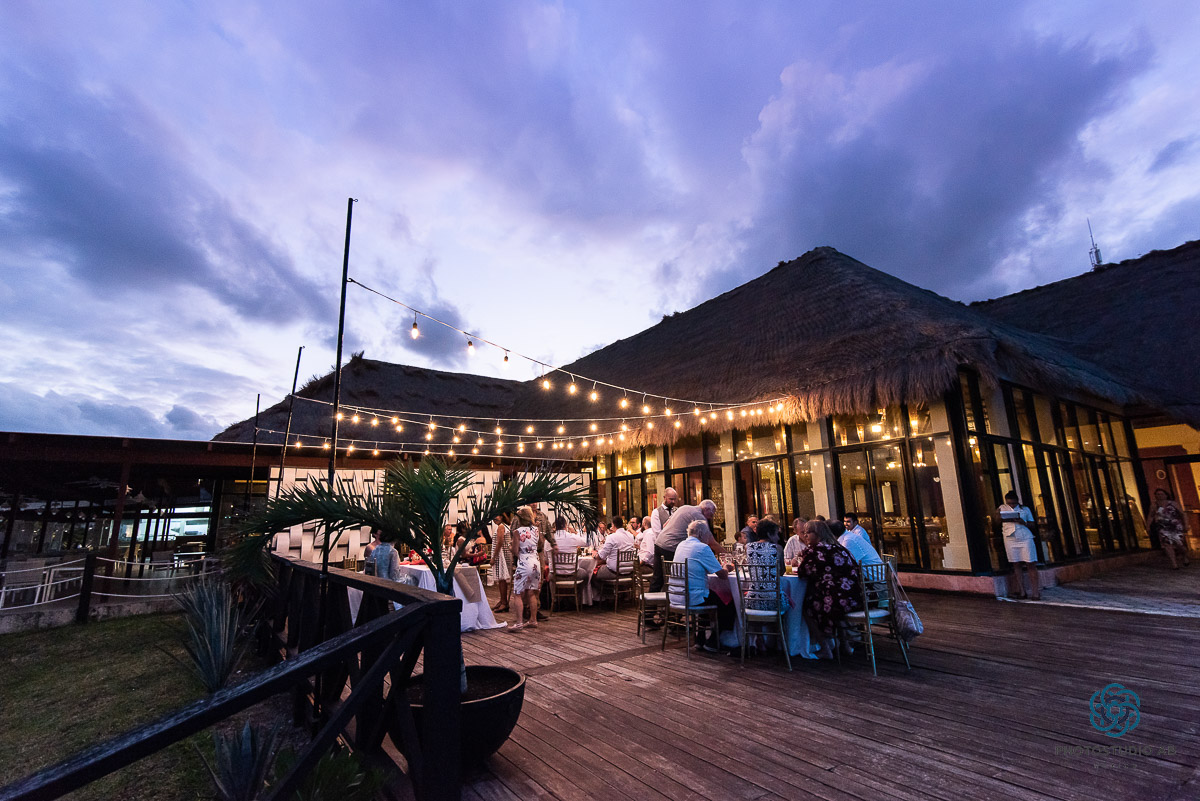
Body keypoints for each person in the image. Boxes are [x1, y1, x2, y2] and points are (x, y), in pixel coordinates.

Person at [670, 520, 736, 652]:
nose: (709, 537)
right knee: (730, 604)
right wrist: (727, 567)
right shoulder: (702, 548)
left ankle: (700, 639)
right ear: (701, 534)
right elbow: (722, 575)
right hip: (692, 597)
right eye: (708, 534)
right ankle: (713, 641)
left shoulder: (681, 545)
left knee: (710, 595)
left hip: (676, 595)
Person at [796, 520, 861, 653]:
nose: (805, 535)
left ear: (818, 533)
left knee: (805, 607)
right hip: (855, 597)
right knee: (831, 601)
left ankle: (825, 648)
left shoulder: (815, 551)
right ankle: (845, 645)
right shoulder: (839, 548)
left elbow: (803, 573)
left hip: (835, 600)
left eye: (808, 532)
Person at [653, 499, 723, 592]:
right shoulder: (699, 517)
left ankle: (652, 600)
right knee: (678, 577)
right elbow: (711, 542)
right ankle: (678, 595)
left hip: (659, 543)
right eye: (711, 514)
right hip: (670, 546)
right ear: (706, 509)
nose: (710, 518)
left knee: (657, 578)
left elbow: (665, 524)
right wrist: (726, 554)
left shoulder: (684, 507)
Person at [998, 491, 1040, 600]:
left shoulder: (1025, 509)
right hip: (1010, 538)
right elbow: (996, 521)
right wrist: (999, 515)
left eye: (1014, 503)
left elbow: (1032, 524)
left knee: (1030, 563)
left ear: (1017, 501)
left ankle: (1035, 592)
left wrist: (1023, 521)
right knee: (1016, 563)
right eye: (1009, 503)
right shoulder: (1002, 508)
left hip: (1025, 537)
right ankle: (1022, 591)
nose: (1012, 505)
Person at [743, 519, 788, 614]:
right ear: (769, 534)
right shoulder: (778, 548)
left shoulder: (748, 547)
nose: (778, 538)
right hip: (774, 601)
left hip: (752, 600)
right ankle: (786, 623)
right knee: (791, 601)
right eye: (776, 534)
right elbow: (781, 572)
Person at [509, 506, 542, 631]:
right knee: (531, 592)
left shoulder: (517, 532)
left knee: (517, 592)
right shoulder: (536, 530)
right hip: (536, 562)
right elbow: (539, 544)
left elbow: (515, 551)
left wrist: (511, 546)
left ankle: (519, 623)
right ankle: (533, 620)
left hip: (524, 563)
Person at [1147, 488, 1191, 569]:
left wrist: (1186, 524)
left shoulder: (1173, 504)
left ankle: (1184, 556)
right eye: (1157, 494)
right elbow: (1151, 516)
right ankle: (1174, 564)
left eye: (1161, 494)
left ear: (1166, 495)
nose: (1159, 496)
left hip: (1175, 526)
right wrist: (1148, 526)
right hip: (1163, 527)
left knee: (1180, 544)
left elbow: (1182, 514)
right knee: (1167, 544)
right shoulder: (1154, 506)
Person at [488, 513, 513, 613]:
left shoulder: (501, 526)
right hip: (503, 554)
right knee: (501, 579)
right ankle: (502, 600)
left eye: (497, 516)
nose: (495, 518)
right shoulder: (505, 526)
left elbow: (500, 542)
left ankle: (504, 602)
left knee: (502, 579)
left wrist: (494, 557)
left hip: (502, 555)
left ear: (502, 517)